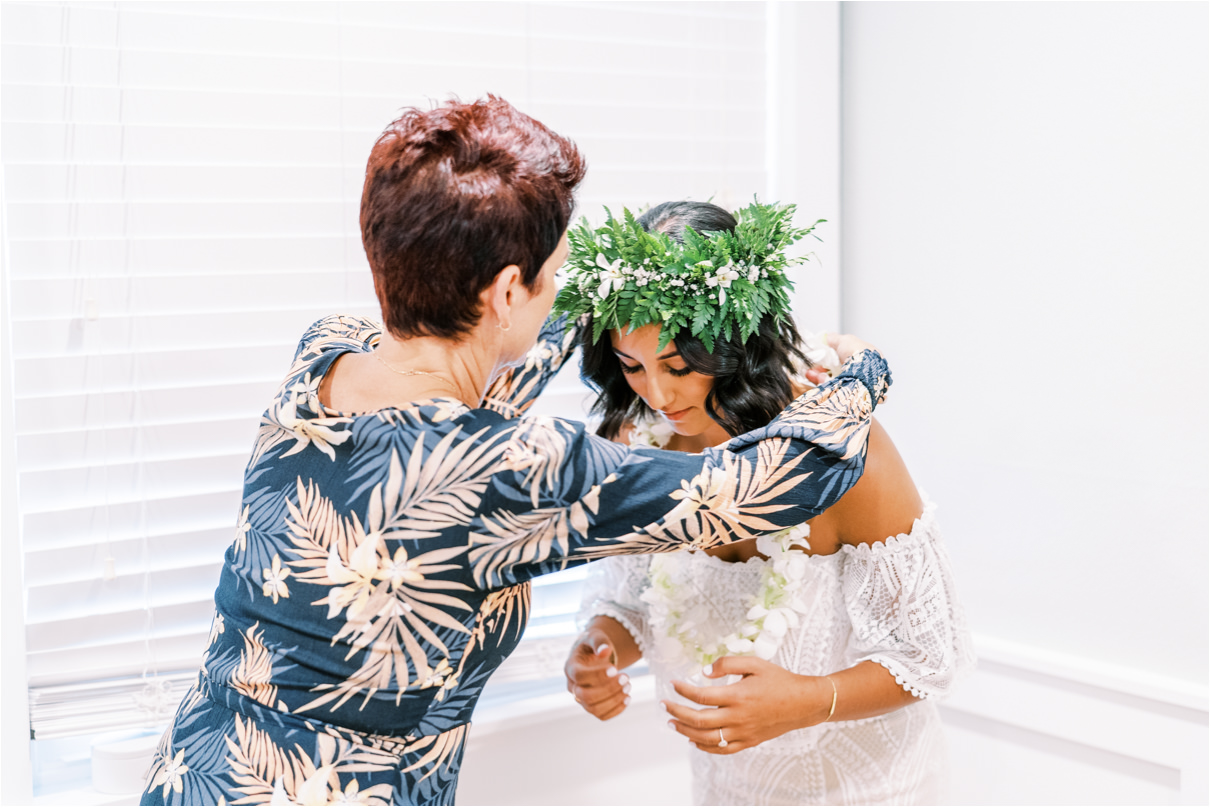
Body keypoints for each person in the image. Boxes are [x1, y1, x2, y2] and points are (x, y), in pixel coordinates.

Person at [140, 99, 893, 806]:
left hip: (197, 770)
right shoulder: (511, 468)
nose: (557, 287)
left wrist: (621, 286)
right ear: (506, 291)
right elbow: (785, 480)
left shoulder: (326, 354)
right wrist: (860, 370)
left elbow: (466, 395)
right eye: (554, 271)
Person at [563, 200, 973, 805]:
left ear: (734, 347)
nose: (655, 391)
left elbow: (927, 654)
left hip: (872, 789)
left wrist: (809, 701)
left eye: (678, 365)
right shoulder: (641, 442)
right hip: (729, 789)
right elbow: (635, 600)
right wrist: (600, 649)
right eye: (632, 366)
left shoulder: (840, 452)